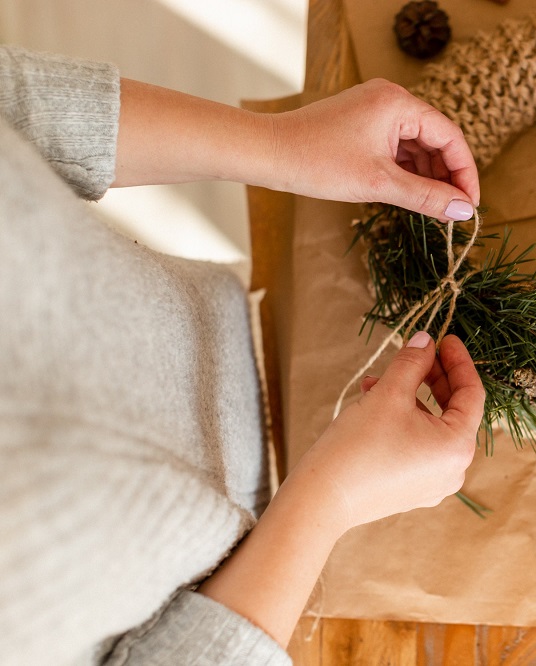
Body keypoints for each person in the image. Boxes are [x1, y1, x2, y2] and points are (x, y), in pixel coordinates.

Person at [0, 45, 485, 664]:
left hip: (237, 332)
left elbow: (15, 108)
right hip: (262, 574)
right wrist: (328, 498)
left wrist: (281, 144)